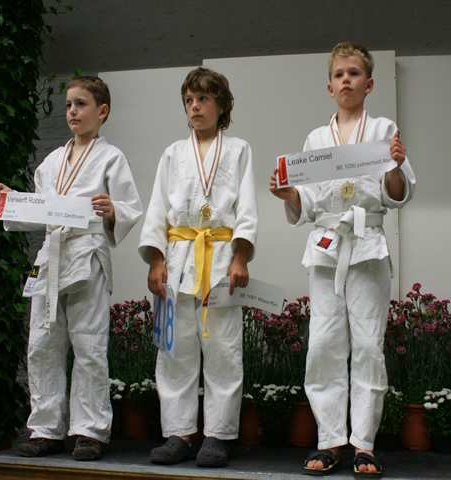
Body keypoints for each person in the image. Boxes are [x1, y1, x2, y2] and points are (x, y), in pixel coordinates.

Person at [269, 42, 416, 476]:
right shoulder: (316, 140)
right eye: (339, 74)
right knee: (323, 344)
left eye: (354, 73)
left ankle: (364, 443)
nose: (346, 80)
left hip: (367, 242)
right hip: (327, 245)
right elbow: (309, 205)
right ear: (329, 85)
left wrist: (394, 165)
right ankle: (330, 438)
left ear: (369, 83)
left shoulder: (384, 128)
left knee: (369, 344)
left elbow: (397, 194)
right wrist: (288, 193)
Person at [0, 76, 143, 461]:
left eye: (81, 104)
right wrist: (10, 199)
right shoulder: (52, 162)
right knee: (42, 344)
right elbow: (39, 209)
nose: (72, 111)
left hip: (87, 255)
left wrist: (114, 212)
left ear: (102, 111)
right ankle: (45, 428)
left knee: (89, 344)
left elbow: (129, 208)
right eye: (69, 105)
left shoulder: (112, 158)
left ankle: (89, 431)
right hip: (51, 254)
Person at [138, 67, 257, 468]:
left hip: (221, 257)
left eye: (204, 99)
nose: (195, 106)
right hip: (178, 258)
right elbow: (157, 209)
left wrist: (241, 256)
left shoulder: (239, 149)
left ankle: (218, 435)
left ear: (221, 104)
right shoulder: (172, 153)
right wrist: (156, 259)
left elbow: (247, 208)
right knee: (175, 349)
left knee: (223, 348)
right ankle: (179, 432)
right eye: (189, 100)